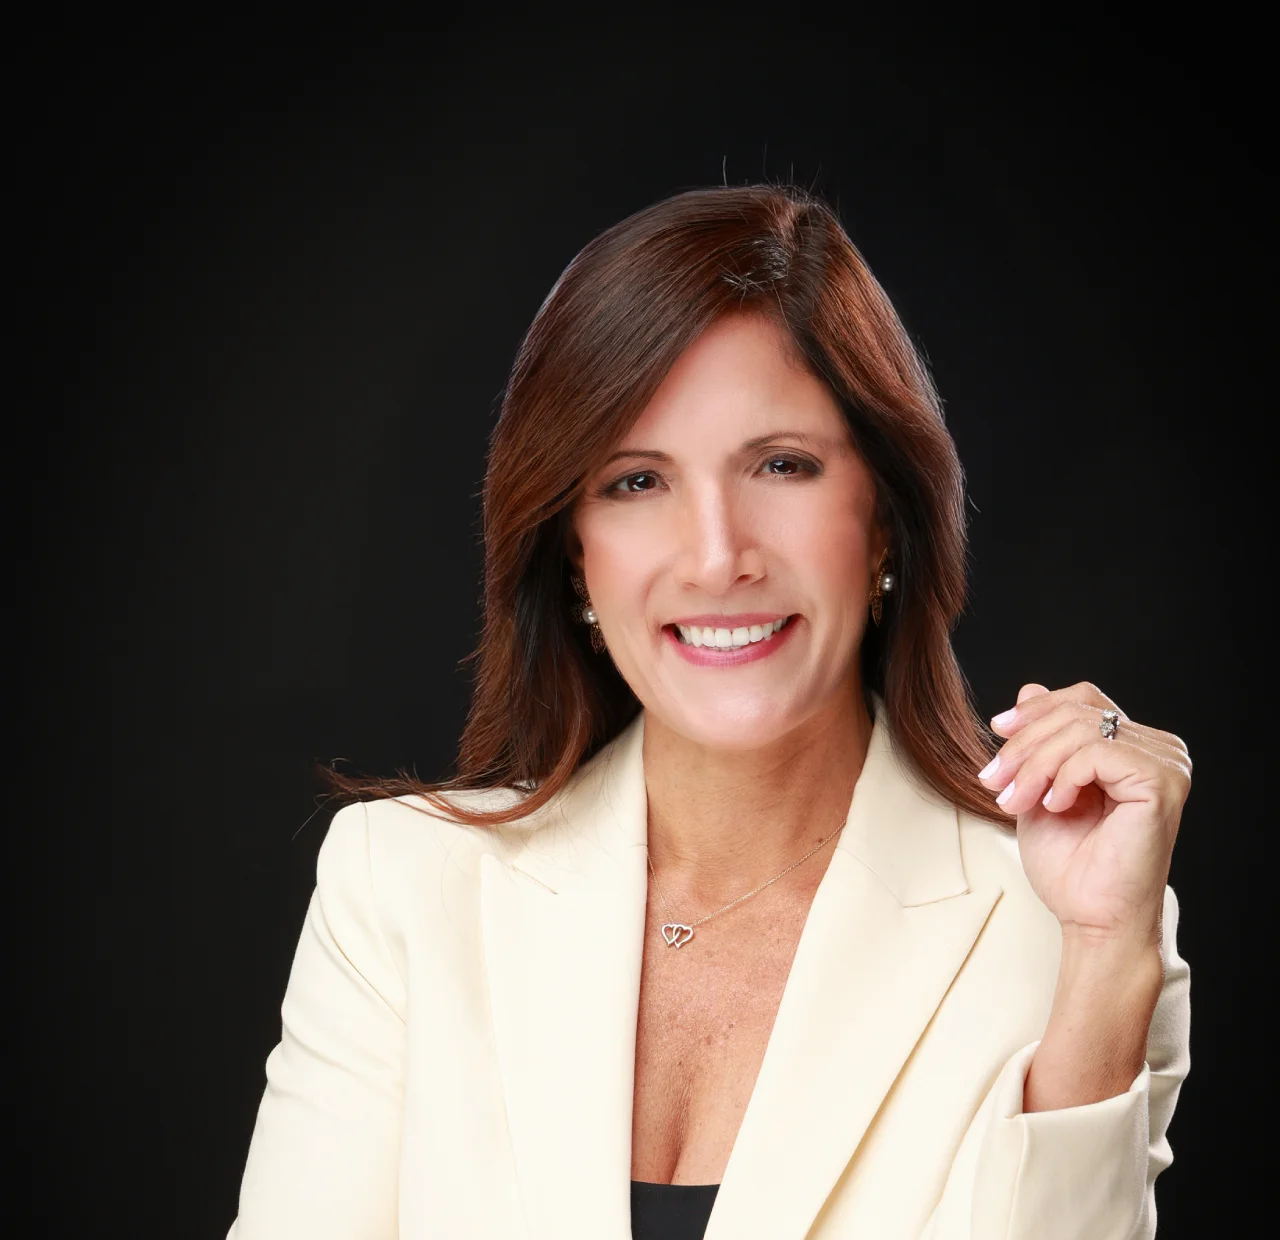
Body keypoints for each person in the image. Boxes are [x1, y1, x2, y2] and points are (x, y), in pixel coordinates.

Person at [226, 184, 1192, 1240]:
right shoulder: (402, 889)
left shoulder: (1062, 925)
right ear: (574, 555)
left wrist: (1104, 954)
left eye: (781, 465)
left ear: (883, 518)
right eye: (637, 482)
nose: (718, 555)